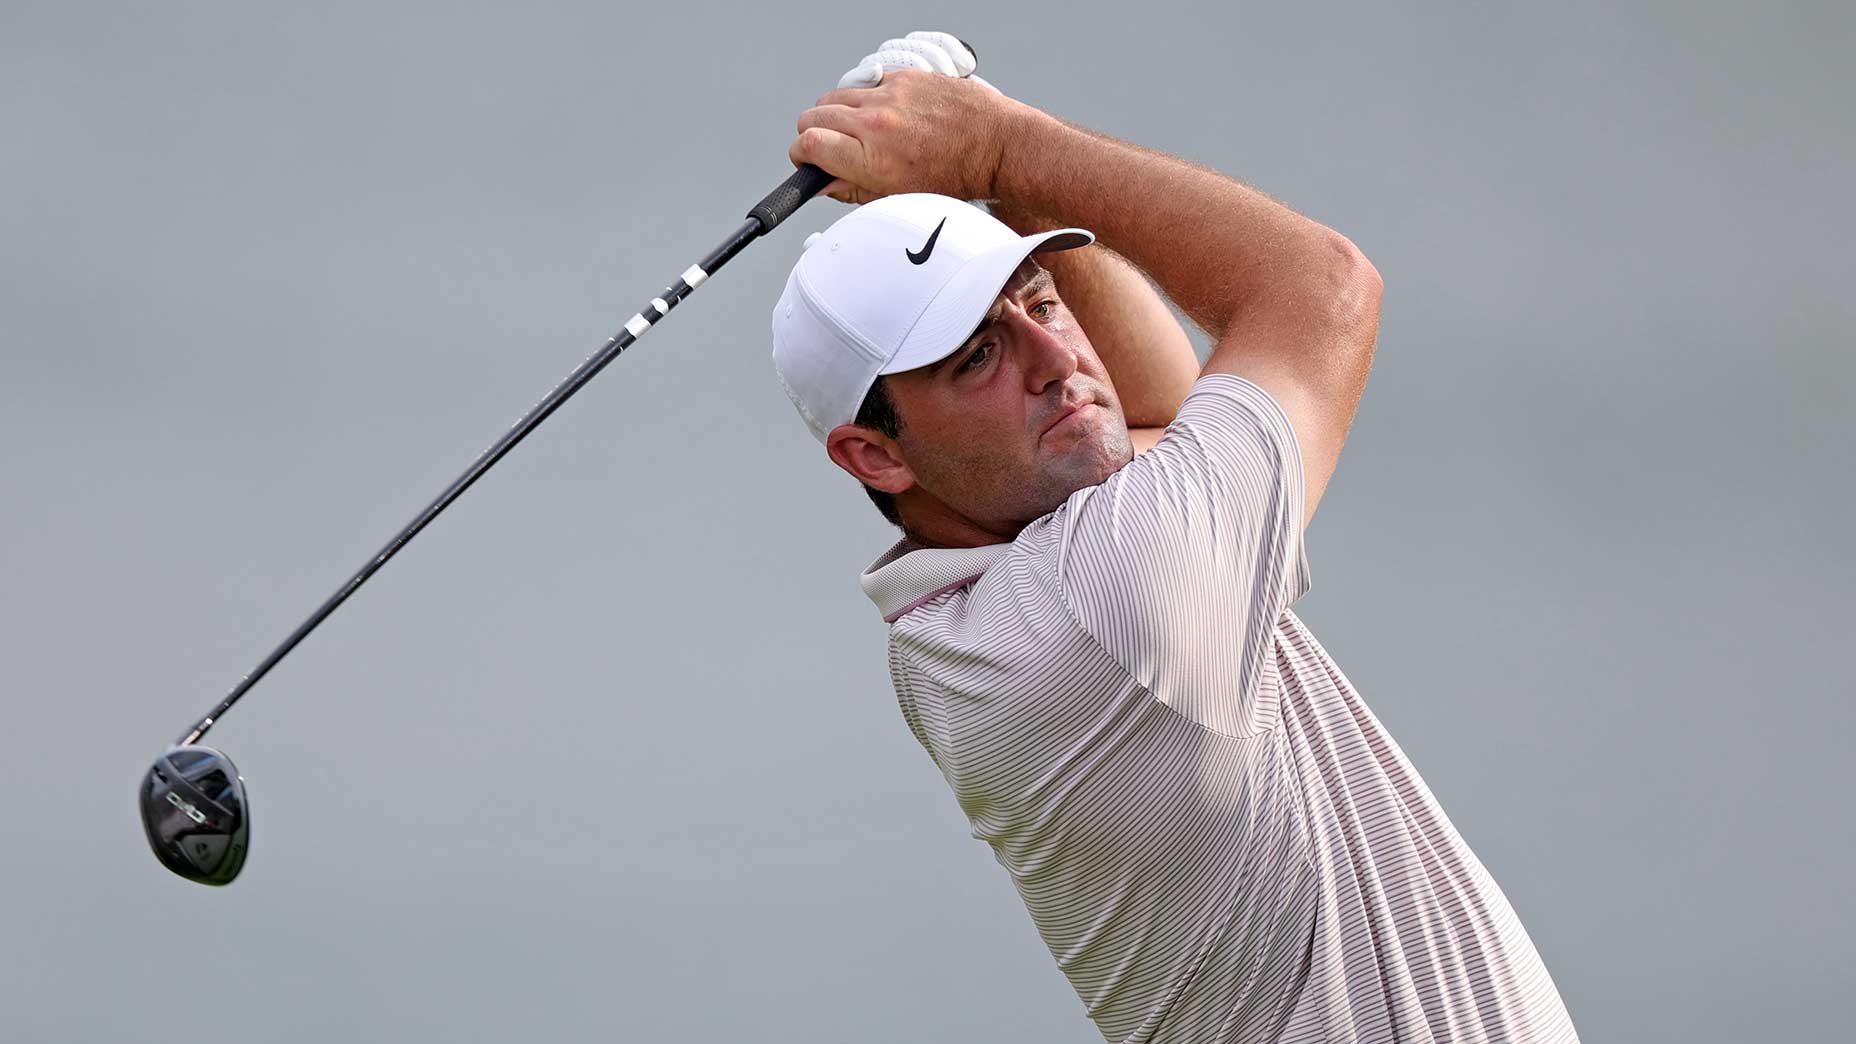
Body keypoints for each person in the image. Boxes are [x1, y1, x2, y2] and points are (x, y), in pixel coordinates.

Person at [770, 33, 1581, 1044]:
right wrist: (1000, 150)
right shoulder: (1107, 600)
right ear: (875, 457)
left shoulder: (966, 612)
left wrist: (987, 150)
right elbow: (1321, 288)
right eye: (976, 354)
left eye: (1039, 301)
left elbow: (1143, 412)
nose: (1055, 358)